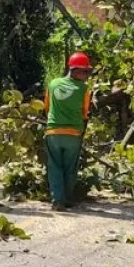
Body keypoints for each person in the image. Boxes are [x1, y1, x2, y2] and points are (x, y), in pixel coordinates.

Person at [44, 52, 93, 212]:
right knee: (70, 166)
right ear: (75, 70)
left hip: (53, 132)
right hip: (73, 134)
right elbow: (85, 112)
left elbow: (47, 106)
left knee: (55, 166)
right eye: (85, 72)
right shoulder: (84, 89)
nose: (87, 75)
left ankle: (57, 200)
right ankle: (67, 198)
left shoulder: (53, 84)